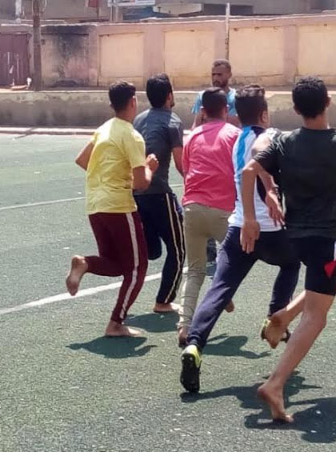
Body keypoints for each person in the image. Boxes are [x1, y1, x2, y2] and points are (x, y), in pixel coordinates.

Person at [239, 77, 336, 422]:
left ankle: (284, 316)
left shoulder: (285, 142)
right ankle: (275, 383)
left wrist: (251, 217)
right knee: (317, 316)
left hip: (296, 236)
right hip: (329, 238)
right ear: (328, 102)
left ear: (296, 108)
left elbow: (249, 170)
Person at [179, 85, 302, 392]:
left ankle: (194, 344)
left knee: (219, 288)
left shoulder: (236, 138)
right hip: (268, 228)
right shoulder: (269, 135)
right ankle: (274, 317)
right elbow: (261, 159)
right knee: (291, 263)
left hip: (238, 227)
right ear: (264, 115)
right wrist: (271, 188)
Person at [66, 81, 159, 337]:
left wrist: (108, 175)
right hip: (119, 206)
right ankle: (116, 323)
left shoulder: (103, 129)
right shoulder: (132, 135)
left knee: (117, 263)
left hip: (94, 204)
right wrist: (150, 168)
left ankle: (84, 263)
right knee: (137, 268)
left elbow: (82, 160)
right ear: (133, 102)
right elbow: (141, 183)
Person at [177, 88, 241, 342]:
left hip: (192, 207)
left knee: (194, 270)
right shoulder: (234, 135)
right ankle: (222, 295)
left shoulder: (192, 136)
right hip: (224, 211)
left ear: (203, 111)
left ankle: (184, 326)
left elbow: (186, 170)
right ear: (226, 109)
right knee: (234, 264)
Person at [133, 74, 186, 314]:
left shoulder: (139, 119)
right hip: (159, 194)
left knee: (152, 251)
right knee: (178, 248)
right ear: (169, 95)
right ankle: (163, 301)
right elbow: (181, 164)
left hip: (137, 192)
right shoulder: (173, 121)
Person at [191, 60, 240, 262]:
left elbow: (236, 124)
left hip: (227, 154)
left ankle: (230, 244)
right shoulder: (202, 96)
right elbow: (196, 124)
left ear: (229, 74)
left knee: (228, 198)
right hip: (206, 152)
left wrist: (213, 118)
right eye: (213, 74)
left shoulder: (235, 98)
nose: (216, 78)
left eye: (220, 74)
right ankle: (209, 245)